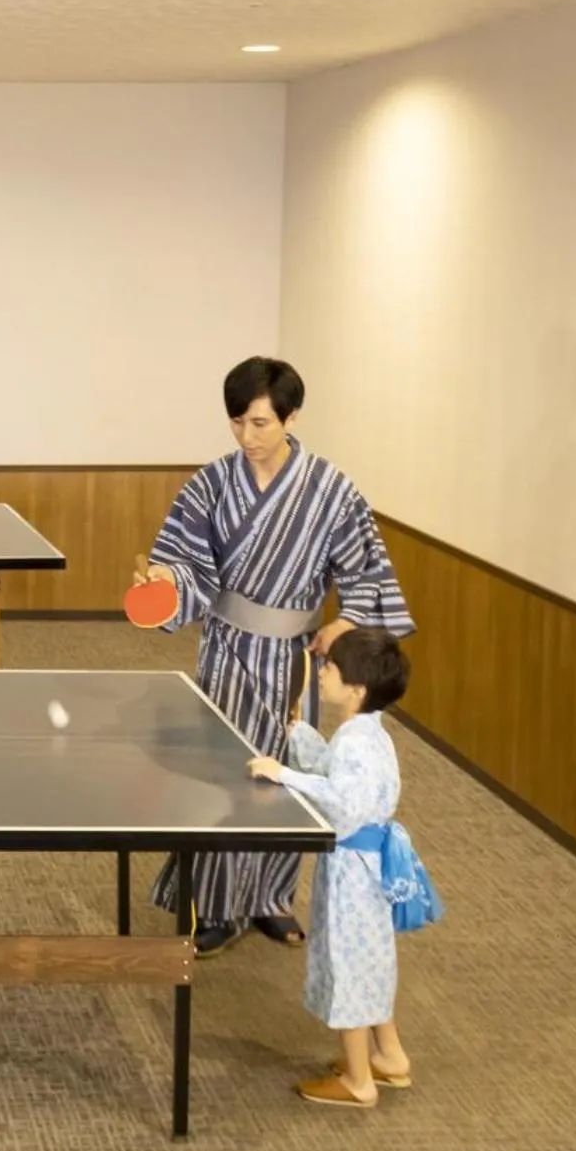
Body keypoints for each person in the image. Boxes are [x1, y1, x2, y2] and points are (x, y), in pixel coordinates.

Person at [136, 356, 414, 955]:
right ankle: (213, 903)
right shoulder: (210, 484)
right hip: (229, 651)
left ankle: (270, 899)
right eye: (237, 422)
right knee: (221, 776)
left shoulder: (331, 491)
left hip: (297, 660)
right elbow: (185, 564)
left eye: (261, 423)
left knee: (292, 777)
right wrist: (166, 581)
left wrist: (344, 620)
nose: (247, 437)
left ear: (291, 416)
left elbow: (365, 569)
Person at [246, 626, 414, 1108]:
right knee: (372, 963)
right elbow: (334, 771)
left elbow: (341, 801)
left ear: (357, 689)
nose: (323, 672)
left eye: (331, 668)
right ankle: (391, 1058)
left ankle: (359, 1082)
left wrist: (283, 774)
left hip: (353, 876)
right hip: (367, 866)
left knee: (349, 966)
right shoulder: (365, 733)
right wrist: (299, 733)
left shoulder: (357, 742)